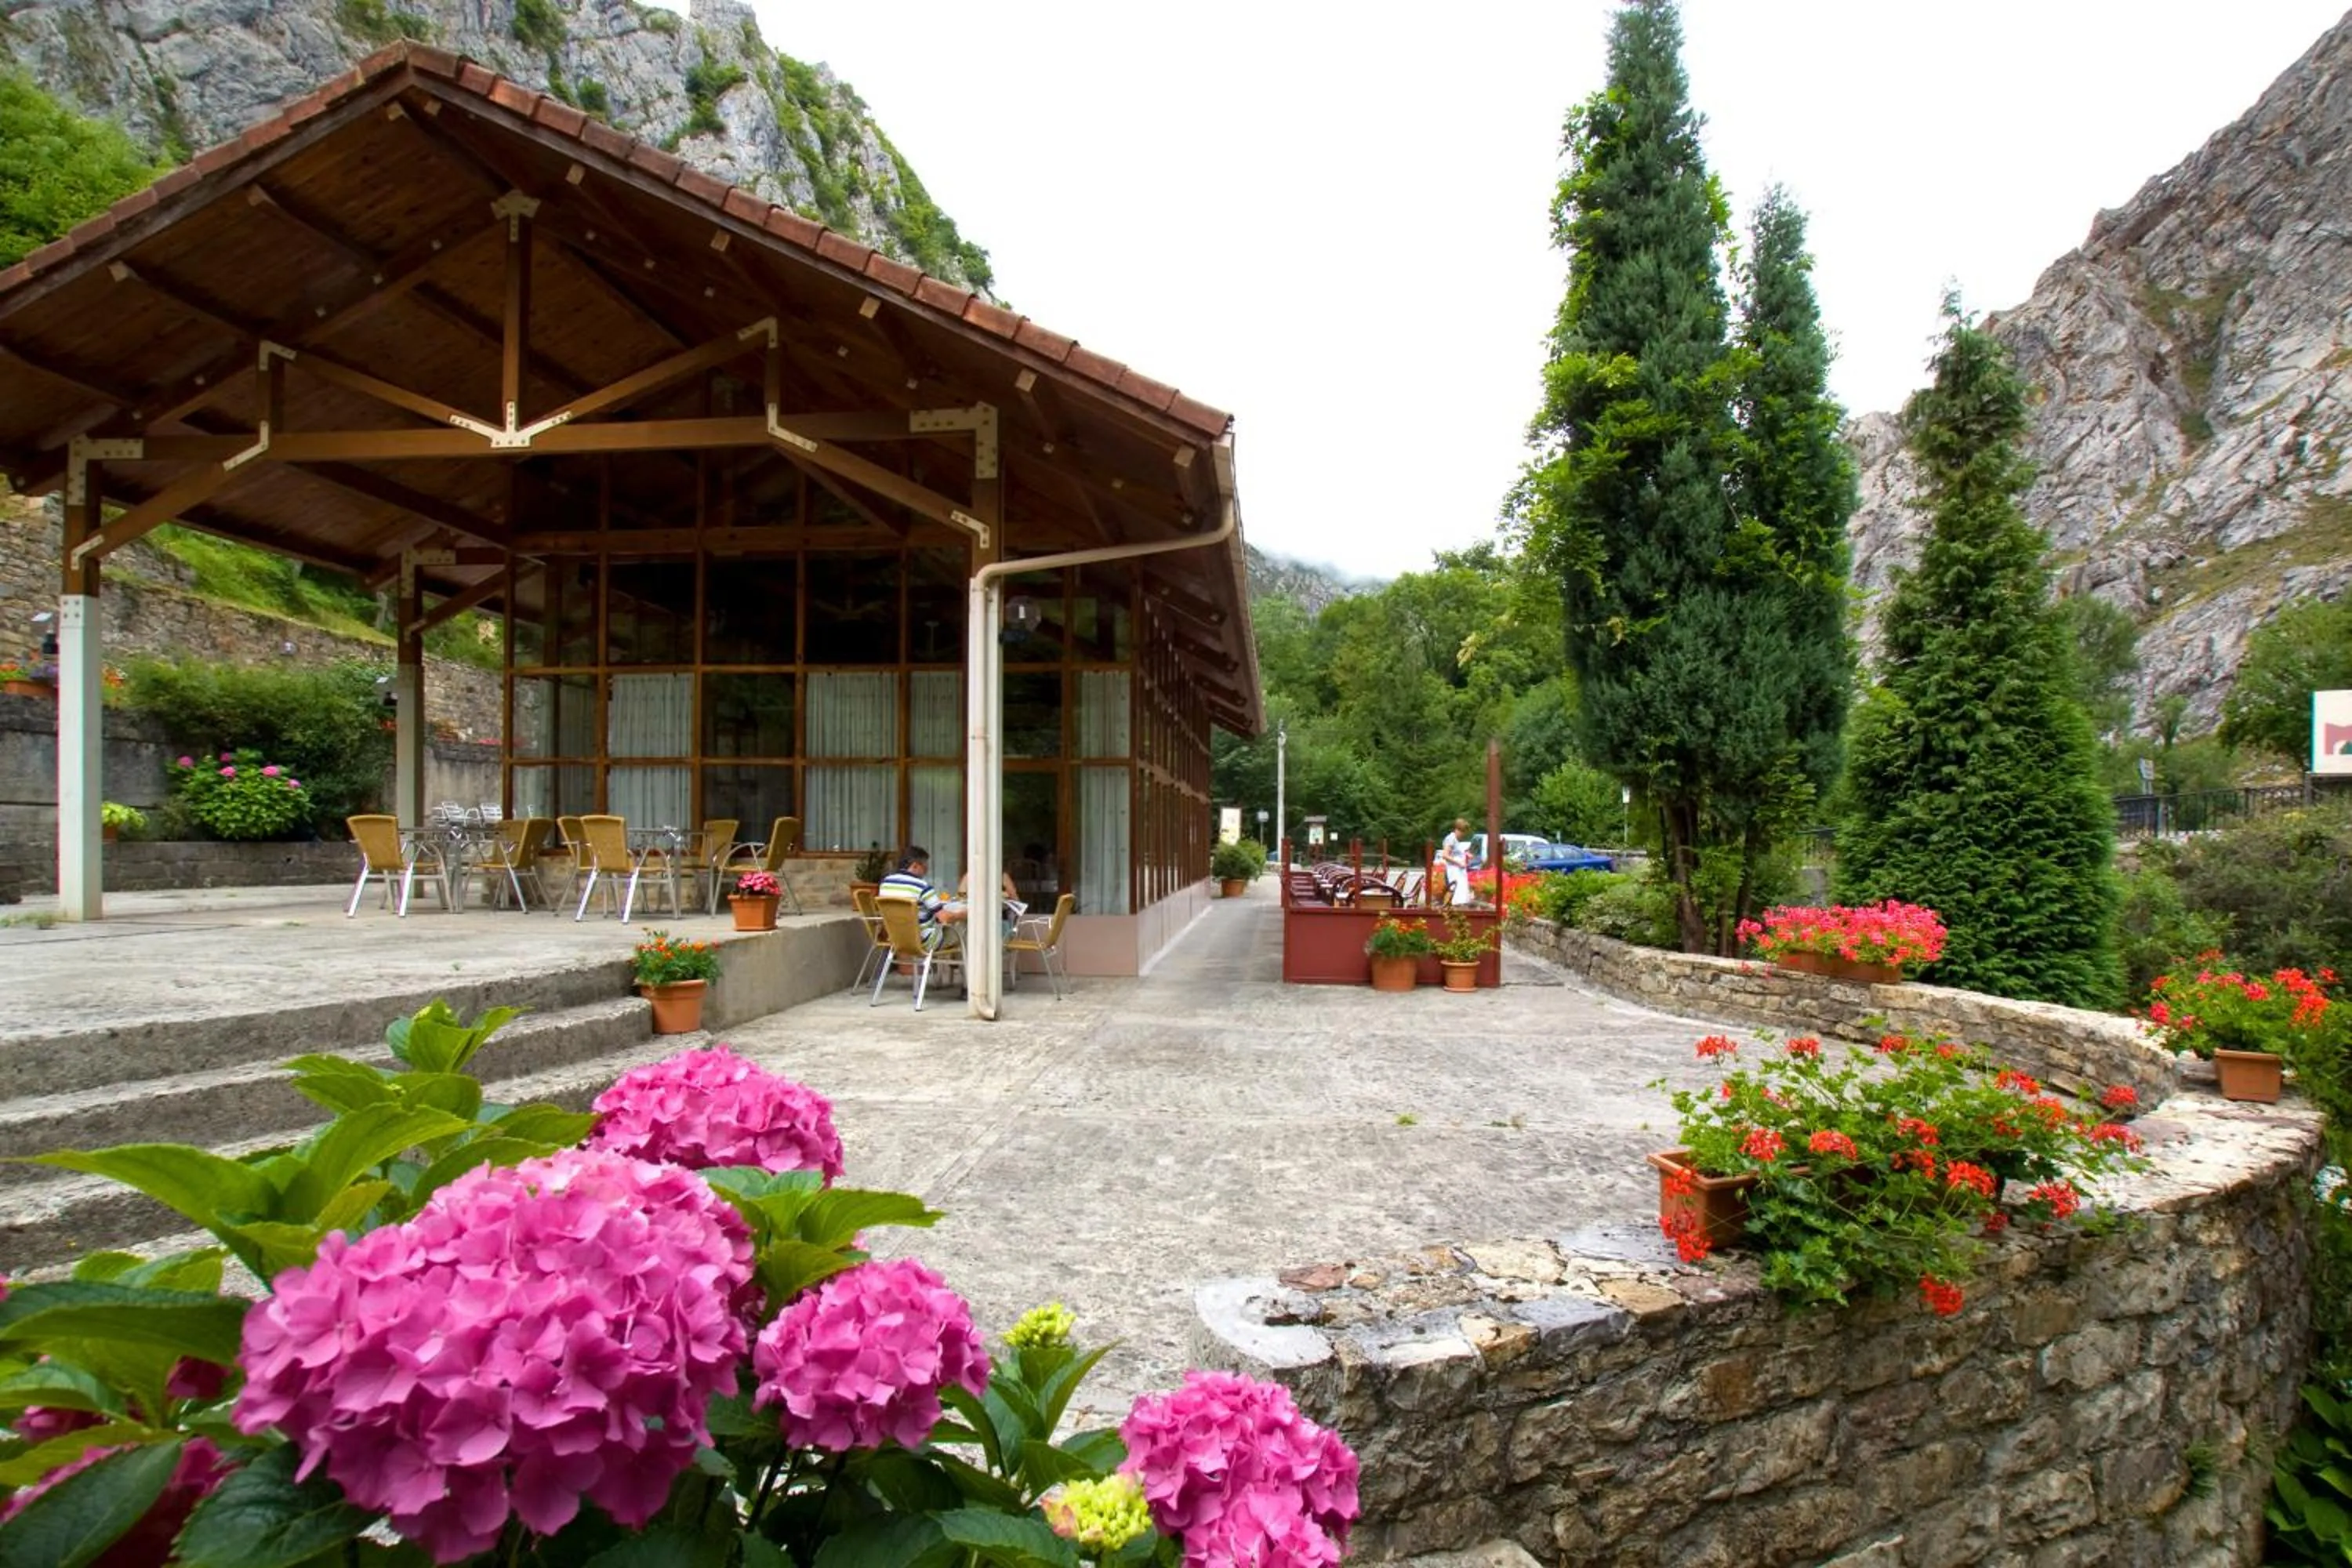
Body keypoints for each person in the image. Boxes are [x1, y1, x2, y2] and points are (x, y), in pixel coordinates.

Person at [877, 845, 964, 950]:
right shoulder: (922, 886)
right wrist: (965, 914)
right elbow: (945, 918)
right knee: (965, 925)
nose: (927, 870)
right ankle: (970, 965)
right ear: (915, 866)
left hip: (896, 940)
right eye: (925, 866)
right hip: (924, 943)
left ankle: (945, 967)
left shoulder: (886, 882)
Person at [1438, 817, 1479, 908]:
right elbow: (1445, 855)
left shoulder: (1456, 841)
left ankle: (1457, 908)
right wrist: (1458, 862)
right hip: (1453, 870)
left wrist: (1466, 855)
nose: (1463, 835)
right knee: (1454, 891)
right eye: (1463, 832)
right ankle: (1448, 909)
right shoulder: (1450, 839)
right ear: (1457, 830)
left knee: (1460, 893)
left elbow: (1456, 853)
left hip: (1459, 871)